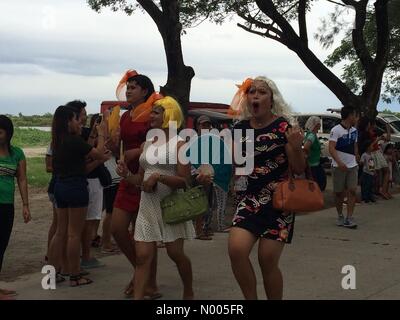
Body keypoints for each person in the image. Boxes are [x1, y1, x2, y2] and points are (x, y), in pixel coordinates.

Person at [227, 76, 306, 300]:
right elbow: (234, 163)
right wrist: (210, 171)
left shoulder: (284, 127)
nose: (255, 96)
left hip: (279, 202)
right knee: (236, 250)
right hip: (249, 200)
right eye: (251, 92)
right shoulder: (240, 128)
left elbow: (299, 168)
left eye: (261, 92)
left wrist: (296, 147)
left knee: (267, 260)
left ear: (271, 99)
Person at [117, 96, 195, 300]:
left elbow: (185, 181)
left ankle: (189, 290)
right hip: (148, 205)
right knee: (142, 257)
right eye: (151, 111)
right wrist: (125, 174)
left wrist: (159, 177)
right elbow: (140, 180)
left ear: (168, 115)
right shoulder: (146, 144)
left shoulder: (180, 145)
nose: (150, 115)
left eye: (156, 112)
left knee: (176, 255)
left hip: (171, 205)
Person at [111, 70, 161, 298]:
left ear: (145, 91)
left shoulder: (154, 114)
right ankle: (141, 271)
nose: (128, 90)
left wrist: (138, 150)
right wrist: (111, 145)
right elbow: (118, 147)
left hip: (148, 179)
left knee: (145, 236)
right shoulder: (124, 116)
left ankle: (148, 282)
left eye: (133, 87)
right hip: (127, 179)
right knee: (117, 229)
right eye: (127, 87)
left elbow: (161, 142)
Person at [48, 105, 108, 287]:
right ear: (68, 122)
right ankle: (75, 276)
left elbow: (84, 156)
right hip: (76, 188)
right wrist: (103, 134)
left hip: (60, 186)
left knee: (60, 232)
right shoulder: (74, 140)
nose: (79, 122)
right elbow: (98, 152)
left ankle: (51, 275)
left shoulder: (57, 141)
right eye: (76, 119)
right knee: (74, 234)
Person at [0, 115, 31, 299]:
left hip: (6, 206)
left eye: (1, 131)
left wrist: (26, 205)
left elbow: (22, 178)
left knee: (2, 246)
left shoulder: (17, 153)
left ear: (8, 133)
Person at [329, 106, 359, 229]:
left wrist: (357, 154)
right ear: (349, 115)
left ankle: (349, 217)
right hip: (338, 167)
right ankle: (340, 215)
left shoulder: (354, 130)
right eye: (355, 115)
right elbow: (331, 148)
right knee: (338, 193)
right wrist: (339, 162)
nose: (356, 118)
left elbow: (355, 144)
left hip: (352, 165)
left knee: (352, 190)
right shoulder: (336, 130)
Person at [303, 116, 327, 191]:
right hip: (313, 165)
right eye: (319, 123)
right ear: (315, 124)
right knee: (319, 184)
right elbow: (306, 147)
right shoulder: (311, 135)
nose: (320, 124)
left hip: (314, 163)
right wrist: (308, 155)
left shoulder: (310, 134)